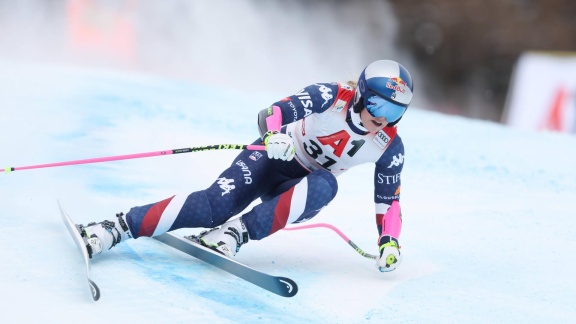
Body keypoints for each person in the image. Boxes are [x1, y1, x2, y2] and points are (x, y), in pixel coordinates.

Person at [79, 59, 413, 272]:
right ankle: (115, 227)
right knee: (215, 206)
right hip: (271, 159)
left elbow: (389, 201)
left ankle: (233, 234)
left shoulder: (389, 146)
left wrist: (389, 241)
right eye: (376, 102)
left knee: (327, 184)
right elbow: (273, 114)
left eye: (395, 111)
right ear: (361, 94)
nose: (383, 117)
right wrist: (273, 136)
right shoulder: (331, 95)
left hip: (297, 191)